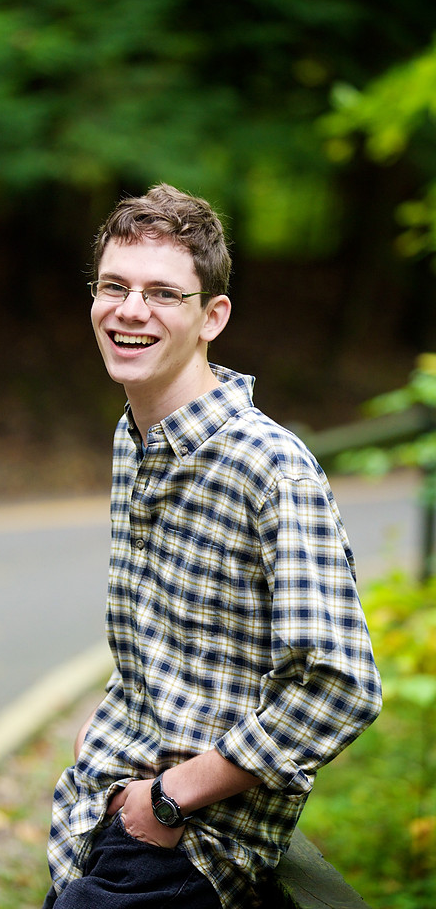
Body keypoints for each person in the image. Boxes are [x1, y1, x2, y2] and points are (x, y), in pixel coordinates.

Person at [42, 183, 382, 908]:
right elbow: (161, 642)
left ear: (212, 316)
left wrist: (167, 798)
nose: (130, 311)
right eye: (114, 287)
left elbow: (342, 686)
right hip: (104, 813)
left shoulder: (270, 466)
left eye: (163, 293)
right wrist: (107, 733)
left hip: (191, 846)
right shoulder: (135, 439)